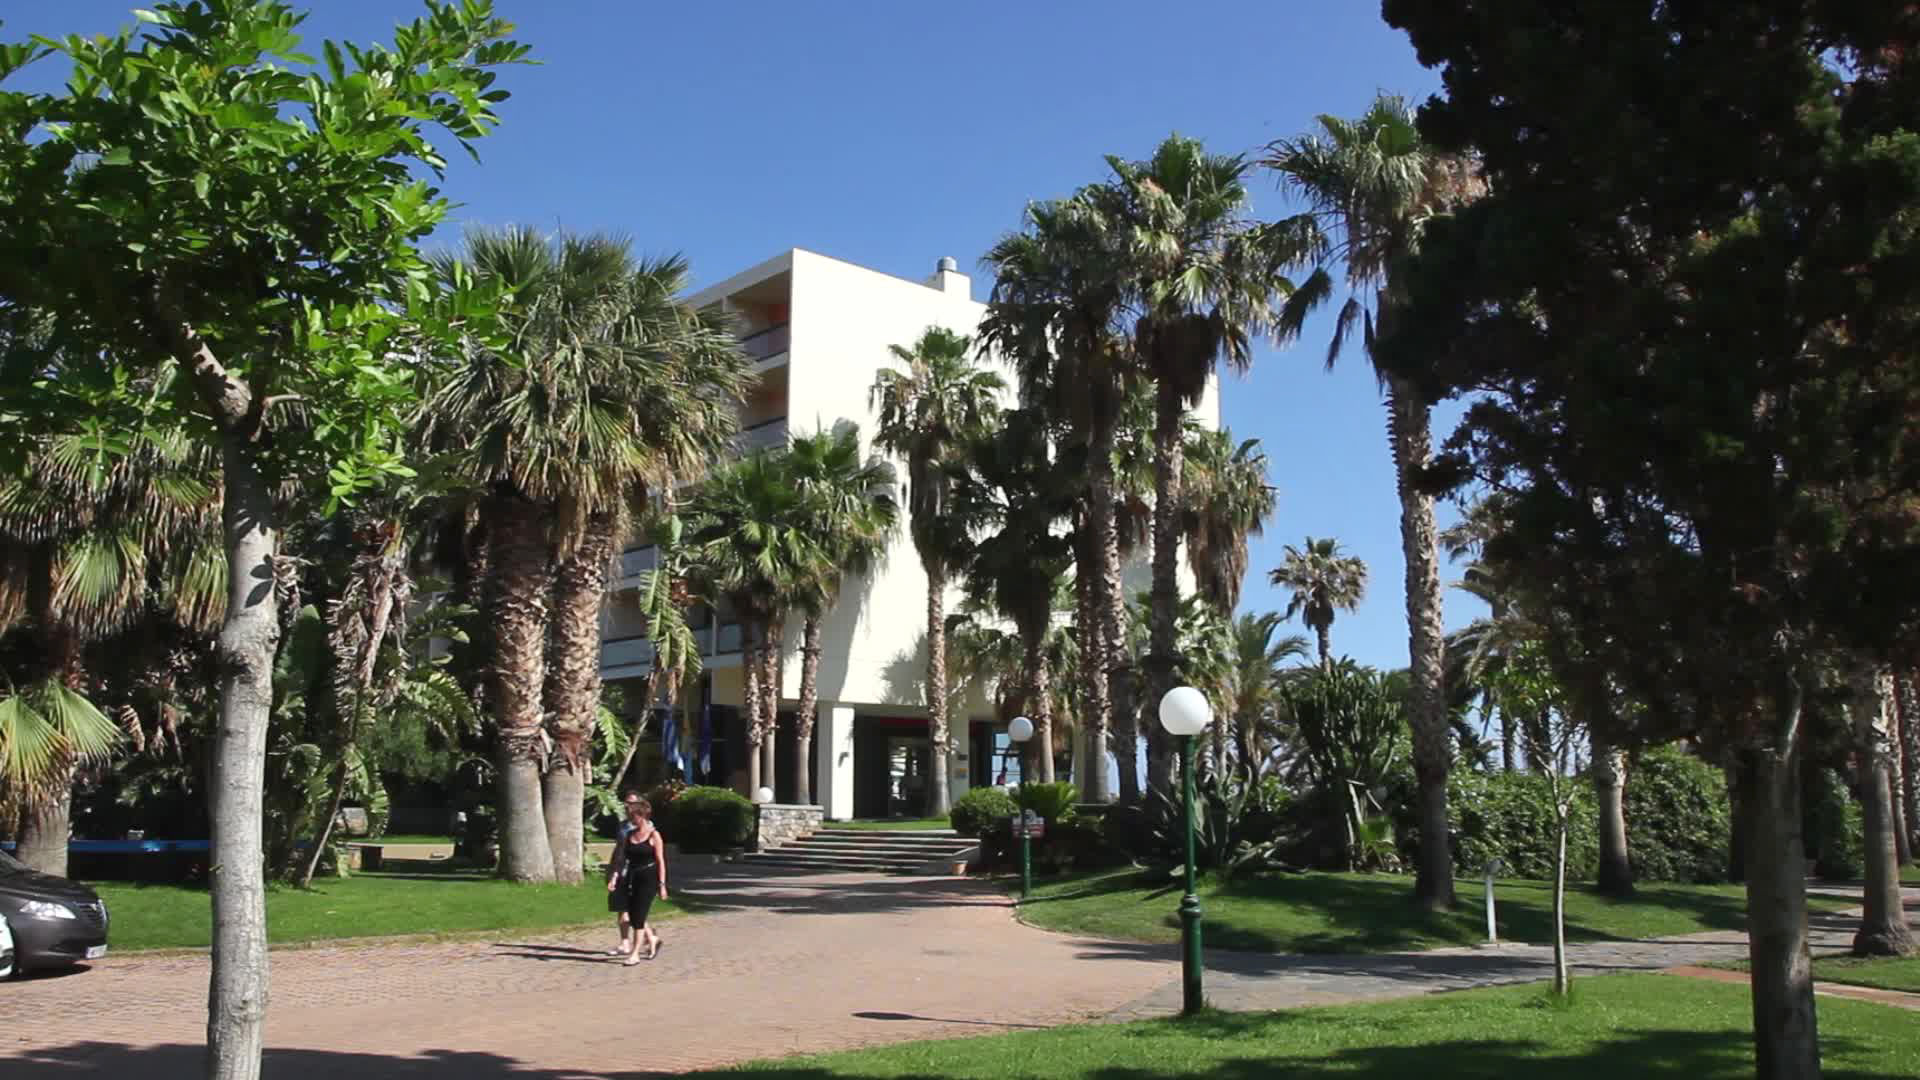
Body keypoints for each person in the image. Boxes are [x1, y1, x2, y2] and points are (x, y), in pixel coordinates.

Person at [606, 795, 668, 966]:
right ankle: (652, 939)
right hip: (631, 877)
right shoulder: (629, 835)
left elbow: (660, 861)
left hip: (648, 879)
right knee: (632, 914)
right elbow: (621, 859)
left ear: (642, 816)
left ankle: (635, 954)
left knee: (639, 916)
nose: (631, 820)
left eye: (634, 816)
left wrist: (662, 884)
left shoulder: (654, 835)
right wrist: (614, 877)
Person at [606, 790, 642, 956]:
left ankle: (650, 937)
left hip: (635, 871)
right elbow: (619, 849)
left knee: (635, 909)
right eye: (626, 803)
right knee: (621, 907)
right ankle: (625, 942)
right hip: (620, 870)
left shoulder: (644, 825)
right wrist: (613, 870)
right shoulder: (623, 825)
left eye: (632, 803)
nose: (628, 806)